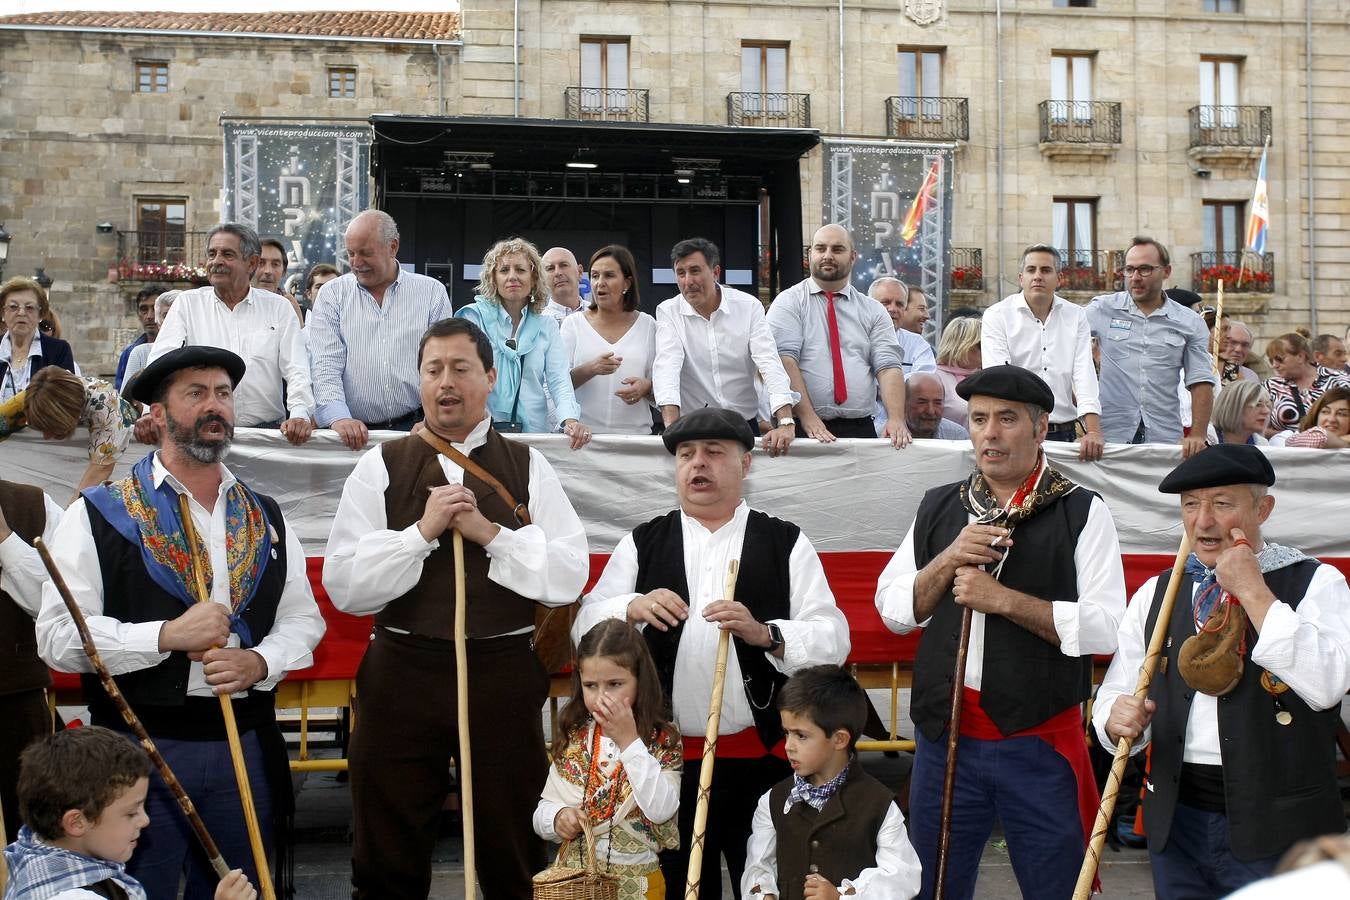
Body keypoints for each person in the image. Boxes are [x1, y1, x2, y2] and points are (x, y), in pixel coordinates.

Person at [35, 345, 326, 900]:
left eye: (223, 393)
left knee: (244, 888)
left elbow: (302, 619)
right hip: (136, 751)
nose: (214, 406)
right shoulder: (99, 513)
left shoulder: (263, 514)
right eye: (196, 394)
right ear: (159, 414)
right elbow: (57, 635)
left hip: (245, 743)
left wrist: (259, 660)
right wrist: (165, 636)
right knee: (141, 890)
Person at [322, 317, 589, 899]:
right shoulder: (381, 464)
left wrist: (491, 534)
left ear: (490, 377)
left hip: (501, 674)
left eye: (461, 368)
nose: (446, 382)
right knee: (386, 846)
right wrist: (419, 534)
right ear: (419, 381)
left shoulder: (527, 465)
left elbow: (569, 575)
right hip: (402, 673)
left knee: (511, 844)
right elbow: (345, 585)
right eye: (433, 369)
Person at [575, 406, 850, 900]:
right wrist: (630, 607)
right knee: (681, 888)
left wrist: (766, 633)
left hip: (764, 760)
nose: (697, 464)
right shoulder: (643, 542)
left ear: (745, 464)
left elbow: (834, 638)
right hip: (664, 763)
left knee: (767, 885)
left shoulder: (784, 541)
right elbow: (584, 627)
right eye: (686, 454)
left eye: (713, 452)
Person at [875, 365, 1126, 900]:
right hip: (944, 741)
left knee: (1057, 887)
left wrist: (1003, 601)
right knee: (933, 886)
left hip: (1038, 743)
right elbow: (893, 611)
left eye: (1007, 419)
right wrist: (947, 558)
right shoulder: (940, 505)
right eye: (979, 419)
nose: (989, 433)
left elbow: (1107, 627)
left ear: (1041, 428)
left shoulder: (1082, 510)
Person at [1092, 443, 1350, 898]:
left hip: (1282, 832)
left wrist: (1254, 592)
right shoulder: (1158, 592)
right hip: (1177, 823)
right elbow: (1117, 692)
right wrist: (1114, 717)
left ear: (1263, 509)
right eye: (1191, 505)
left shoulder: (1316, 582)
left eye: (1223, 503)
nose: (1204, 521)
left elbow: (1327, 685)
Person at [3, 726, 257, 900]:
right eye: (131, 813)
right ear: (76, 822)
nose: (145, 820)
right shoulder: (73, 895)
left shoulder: (35, 856)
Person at [741, 665, 922, 900]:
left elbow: (902, 878)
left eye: (801, 736)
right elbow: (758, 865)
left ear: (839, 739)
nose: (788, 746)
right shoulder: (773, 800)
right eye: (786, 733)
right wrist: (764, 894)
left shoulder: (879, 805)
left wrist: (841, 896)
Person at [534, 619, 682, 900]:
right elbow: (541, 814)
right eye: (591, 685)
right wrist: (557, 818)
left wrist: (630, 743)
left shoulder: (662, 741)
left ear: (640, 681)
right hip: (578, 886)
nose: (602, 697)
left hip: (638, 885)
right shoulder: (577, 738)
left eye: (615, 684)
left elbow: (661, 810)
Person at [146, 223, 314, 446]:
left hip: (267, 436)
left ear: (251, 263)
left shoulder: (279, 308)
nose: (216, 261)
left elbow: (297, 368)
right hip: (203, 433)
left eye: (227, 254)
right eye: (212, 254)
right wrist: (150, 412)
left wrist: (300, 413)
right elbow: (160, 361)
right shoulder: (187, 304)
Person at [307, 210, 453, 449]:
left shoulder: (431, 293)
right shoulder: (332, 295)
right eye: (351, 253)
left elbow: (444, 363)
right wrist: (338, 417)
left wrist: (433, 419)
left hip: (418, 428)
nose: (356, 263)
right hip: (350, 434)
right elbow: (325, 364)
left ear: (392, 247)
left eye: (365, 253)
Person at [767, 226, 909, 446]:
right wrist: (807, 416)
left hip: (860, 427)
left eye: (837, 249)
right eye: (820, 248)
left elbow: (888, 366)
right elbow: (783, 360)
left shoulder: (873, 310)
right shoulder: (788, 302)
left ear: (852, 257)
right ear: (810, 254)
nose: (827, 255)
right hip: (803, 428)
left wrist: (896, 419)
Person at [653, 237, 797, 455]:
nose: (688, 281)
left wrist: (785, 421)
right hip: (692, 428)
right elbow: (667, 368)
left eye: (695, 271)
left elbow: (769, 362)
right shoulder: (668, 311)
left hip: (743, 426)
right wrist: (672, 428)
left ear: (715, 272)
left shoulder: (749, 307)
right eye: (681, 273)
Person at [1084, 236, 1216, 455]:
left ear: (1166, 271)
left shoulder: (1190, 322)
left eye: (1145, 269)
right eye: (1129, 269)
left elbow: (1200, 381)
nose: (1135, 277)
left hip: (1164, 437)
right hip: (1110, 438)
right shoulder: (1102, 309)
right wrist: (1089, 427)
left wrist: (1197, 435)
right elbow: (1064, 346)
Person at [456, 237, 591, 448]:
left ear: (534, 278)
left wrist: (570, 420)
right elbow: (458, 376)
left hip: (534, 436)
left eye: (520, 270)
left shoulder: (547, 325)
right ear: (493, 278)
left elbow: (559, 379)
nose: (512, 276)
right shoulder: (473, 318)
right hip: (479, 435)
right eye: (504, 270)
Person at [982, 244, 1104, 461]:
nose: (1037, 276)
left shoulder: (1076, 316)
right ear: (1021, 278)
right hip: (1016, 432)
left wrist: (1093, 431)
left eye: (1046, 270)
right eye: (1031, 270)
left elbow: (1084, 373)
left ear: (1059, 278)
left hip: (1065, 432)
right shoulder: (997, 315)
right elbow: (999, 377)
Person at [0, 478, 62, 843]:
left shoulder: (33, 505)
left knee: (32, 833)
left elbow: (59, 606)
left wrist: (5, 539)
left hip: (16, 700)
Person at [560, 245, 657, 435]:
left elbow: (663, 385)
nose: (600, 283)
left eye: (609, 275)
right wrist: (590, 369)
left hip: (636, 441)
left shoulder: (648, 325)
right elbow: (558, 385)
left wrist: (646, 388)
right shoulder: (573, 324)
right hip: (583, 440)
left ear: (627, 283)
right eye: (595, 276)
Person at [1, 366, 135, 496]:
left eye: (51, 427)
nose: (46, 437)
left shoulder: (107, 409)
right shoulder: (37, 395)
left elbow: (100, 471)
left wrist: (68, 511)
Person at [1, 276, 76, 404]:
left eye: (29, 307)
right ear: (3, 313)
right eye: (13, 307)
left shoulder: (58, 350)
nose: (21, 313)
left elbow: (66, 400)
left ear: (40, 314)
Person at [1262, 332, 1350, 435]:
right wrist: (1291, 438)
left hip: (1333, 444)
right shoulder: (1269, 386)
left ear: (1301, 356)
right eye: (1271, 360)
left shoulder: (1339, 381)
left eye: (1279, 359)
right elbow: (1257, 428)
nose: (1274, 365)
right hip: (1285, 445)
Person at [868, 277, 936, 377]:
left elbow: (925, 380)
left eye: (899, 304)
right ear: (868, 305)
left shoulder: (918, 345)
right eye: (885, 302)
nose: (893, 309)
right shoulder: (853, 338)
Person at [123, 290, 182, 394]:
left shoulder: (203, 353)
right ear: (159, 322)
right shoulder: (140, 353)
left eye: (180, 314)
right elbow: (127, 398)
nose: (173, 320)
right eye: (166, 315)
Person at [933, 316, 981, 430]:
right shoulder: (935, 377)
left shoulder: (985, 377)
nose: (987, 348)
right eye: (980, 344)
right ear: (961, 345)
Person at [116, 285, 166, 390]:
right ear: (138, 314)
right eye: (144, 309)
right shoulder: (129, 353)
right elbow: (122, 393)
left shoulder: (182, 348)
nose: (149, 316)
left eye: (155, 309)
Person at [904, 372, 969, 441]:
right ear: (904, 403)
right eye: (922, 402)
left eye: (937, 403)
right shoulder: (894, 435)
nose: (930, 411)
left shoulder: (957, 437)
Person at [1207, 379, 1272, 446]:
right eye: (1257, 405)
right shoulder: (1206, 438)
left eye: (1267, 405)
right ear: (1233, 407)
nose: (1266, 411)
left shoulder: (1261, 443)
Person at [1282, 385, 1350, 449]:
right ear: (1316, 414)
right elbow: (1320, 439)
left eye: (1341, 414)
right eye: (1325, 412)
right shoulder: (1286, 435)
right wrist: (1342, 441)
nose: (1331, 419)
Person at [542, 246, 589, 323]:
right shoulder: (537, 322)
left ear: (580, 272)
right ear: (542, 279)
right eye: (550, 268)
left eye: (564, 265)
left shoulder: (601, 314)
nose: (558, 273)